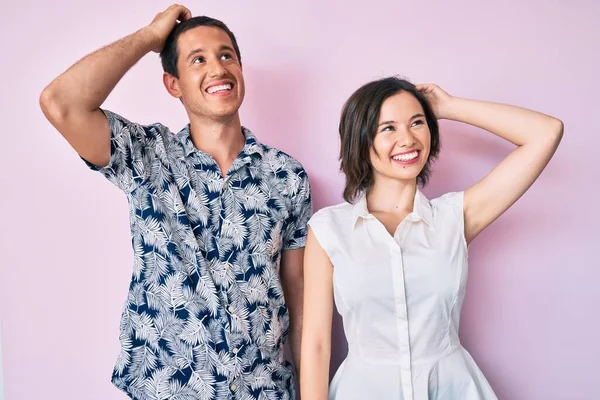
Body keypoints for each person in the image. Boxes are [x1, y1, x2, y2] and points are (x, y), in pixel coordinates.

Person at [39, 4, 311, 399]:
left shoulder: (288, 176)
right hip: (169, 389)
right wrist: (149, 37)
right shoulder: (146, 156)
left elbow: (297, 292)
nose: (217, 68)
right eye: (197, 60)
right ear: (173, 85)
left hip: (264, 389)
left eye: (226, 56)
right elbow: (60, 103)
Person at [300, 77, 563, 399]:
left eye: (417, 122)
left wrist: (448, 107)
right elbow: (316, 343)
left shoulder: (455, 217)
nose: (408, 139)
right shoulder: (329, 228)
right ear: (360, 139)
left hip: (453, 388)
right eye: (388, 128)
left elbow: (546, 132)